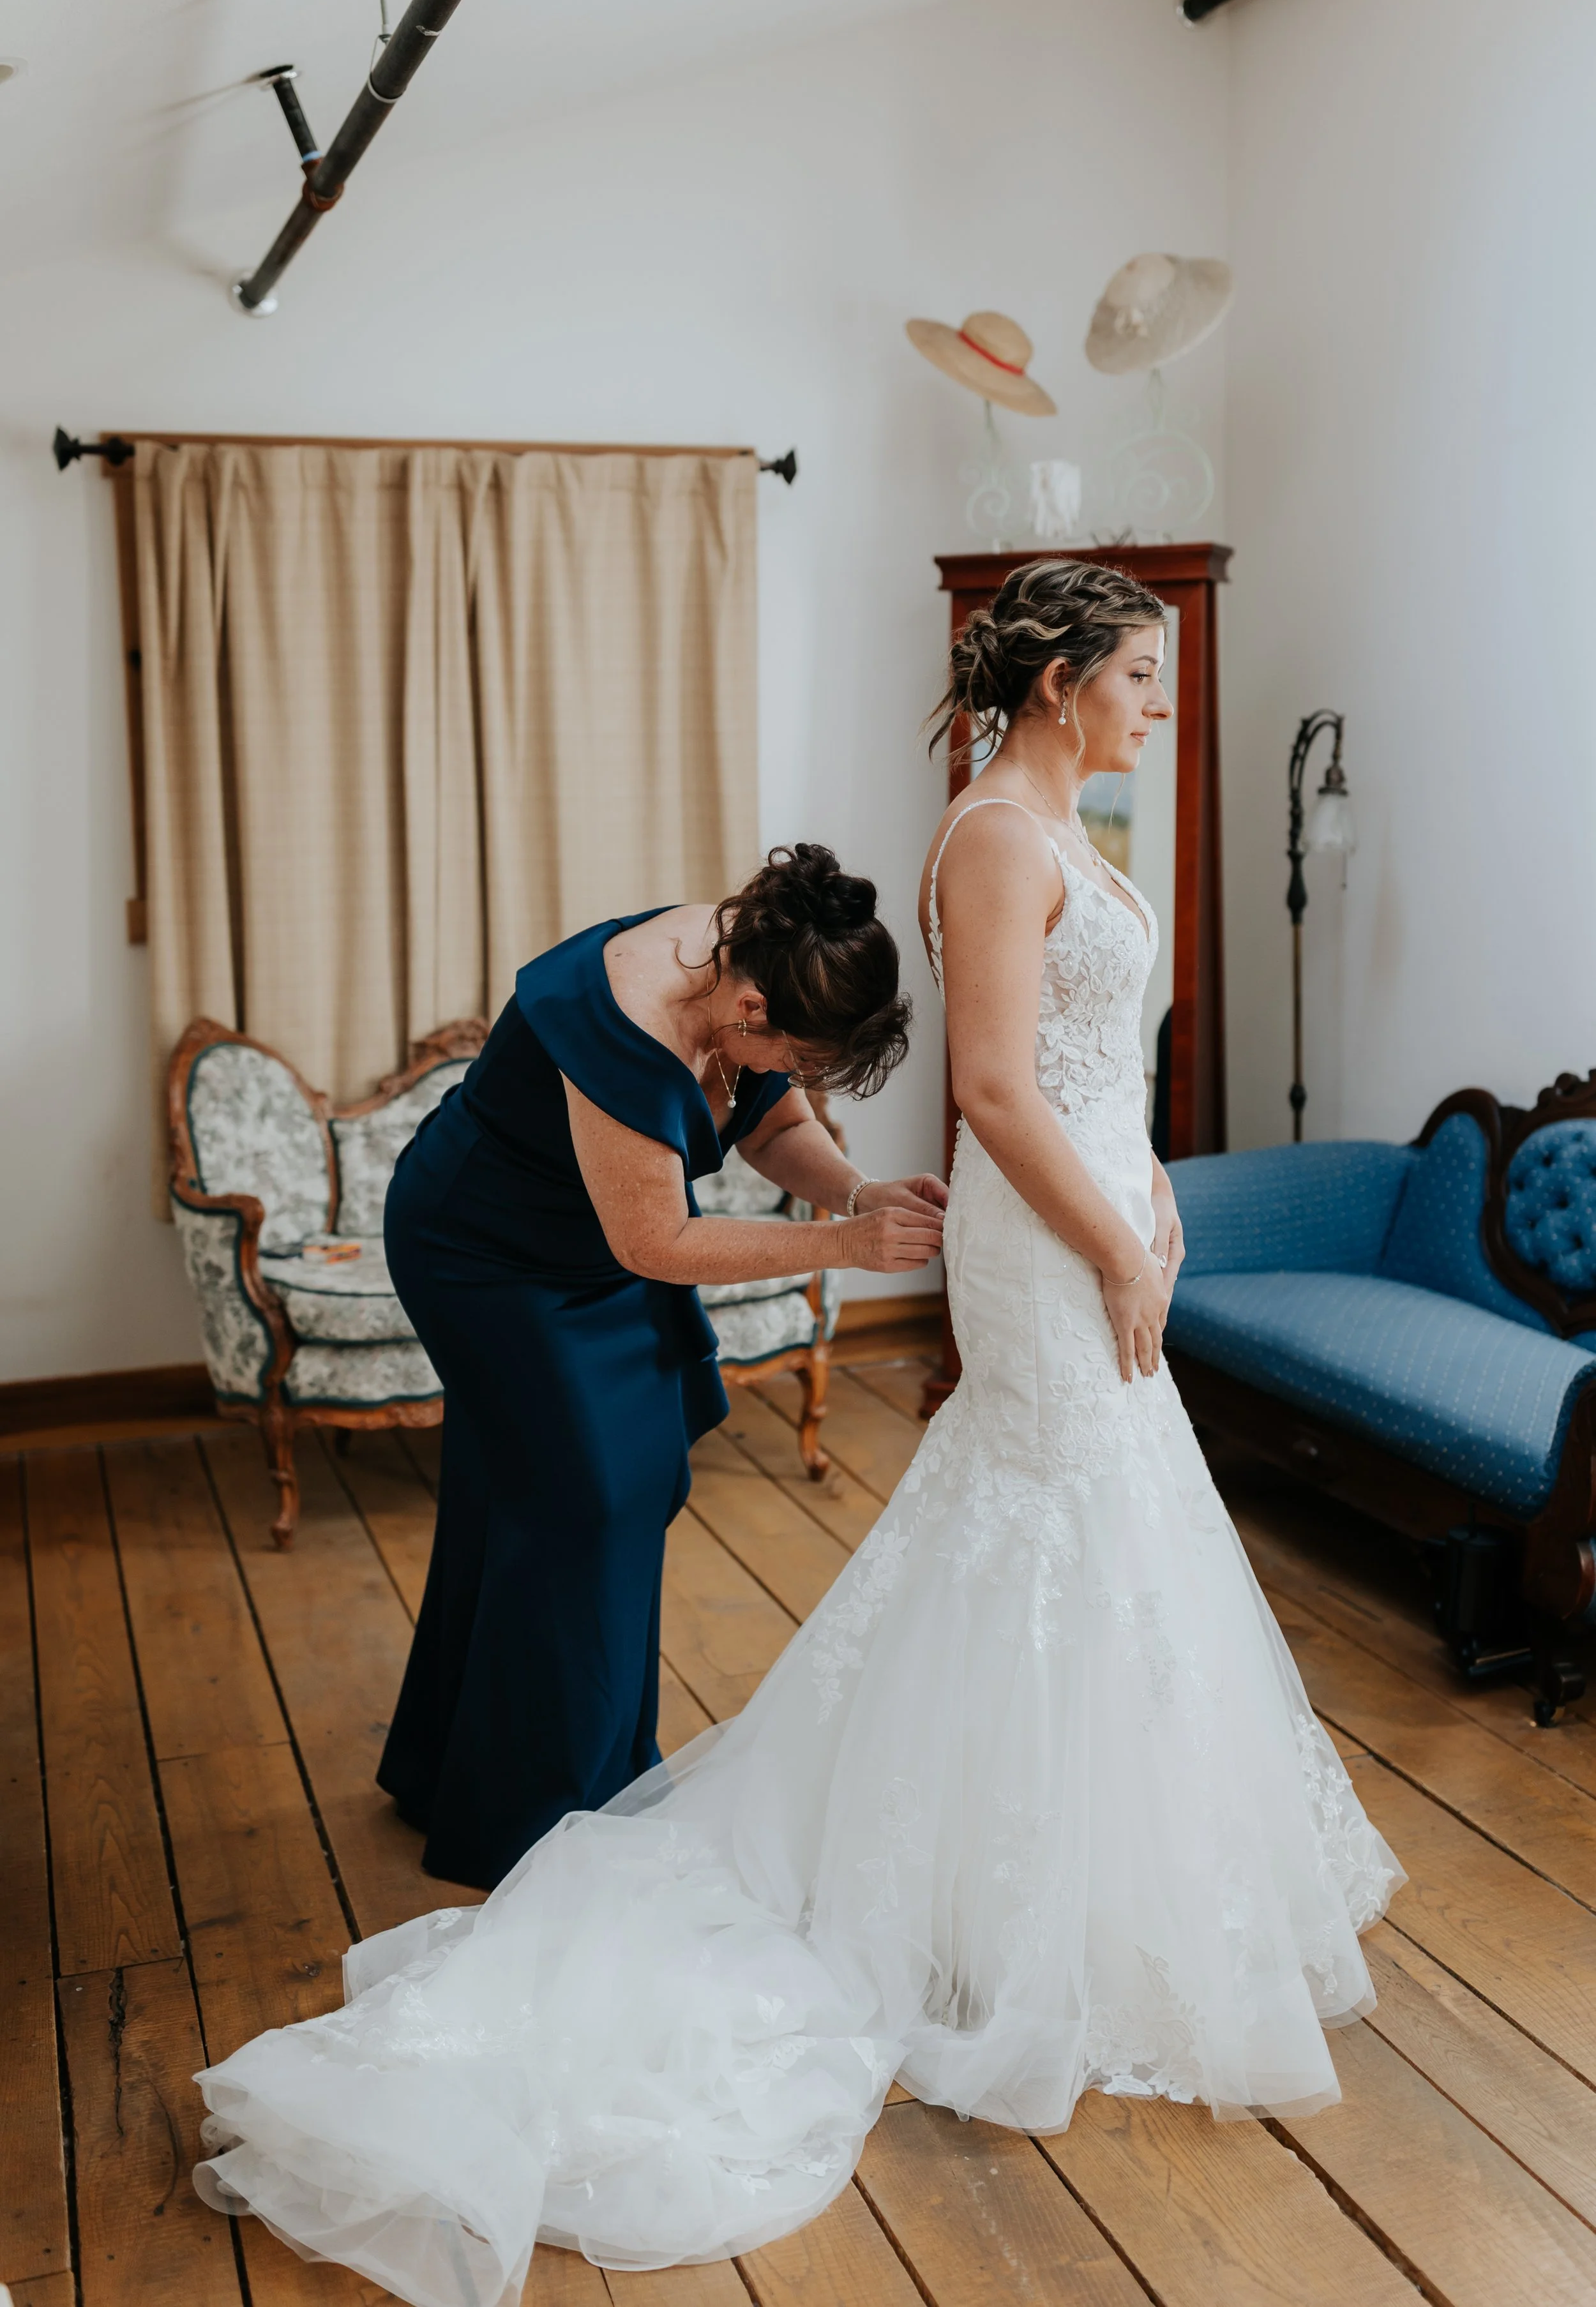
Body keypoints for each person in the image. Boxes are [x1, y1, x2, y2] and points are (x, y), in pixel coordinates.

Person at [193, 564, 1402, 2306]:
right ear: (1059, 681)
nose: (1156, 700)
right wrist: (1002, 1235)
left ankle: (509, 1759)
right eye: (1139, 673)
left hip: (1000, 1223)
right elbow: (740, 1193)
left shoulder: (795, 954)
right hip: (501, 1241)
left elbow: (782, 1108)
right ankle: (547, 1795)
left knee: (665, 1475)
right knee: (597, 1485)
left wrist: (1016, 1191)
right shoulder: (767, 940)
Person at [375, 845, 947, 1890]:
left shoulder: (765, 967)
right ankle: (529, 1820)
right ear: (749, 1006)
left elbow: (770, 1122)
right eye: (803, 1055)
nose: (802, 1079)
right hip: (483, 1252)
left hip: (589, 1243)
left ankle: (467, 1767)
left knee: (583, 1483)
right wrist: (846, 1249)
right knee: (585, 1498)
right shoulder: (626, 1019)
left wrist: (857, 1193)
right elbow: (659, 1243)